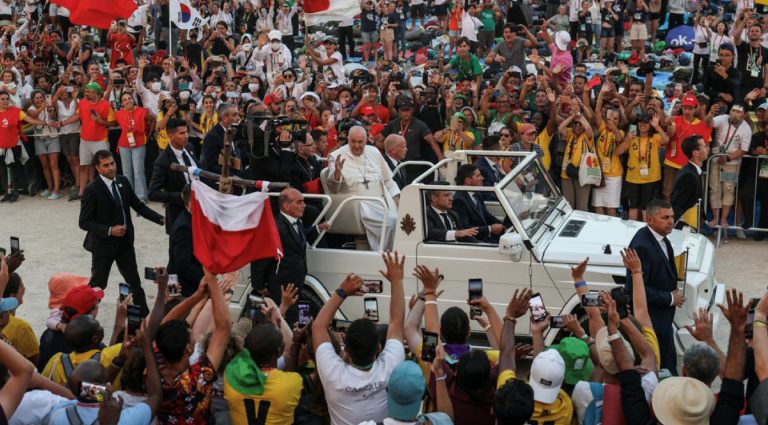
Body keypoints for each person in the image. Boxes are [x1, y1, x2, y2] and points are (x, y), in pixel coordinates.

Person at [311, 252, 406, 425]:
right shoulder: (390, 367)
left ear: (345, 349)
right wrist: (397, 281)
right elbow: (396, 321)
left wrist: (342, 291)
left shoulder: (333, 374)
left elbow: (318, 326)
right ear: (379, 347)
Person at [78, 150, 165, 315]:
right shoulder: (92, 190)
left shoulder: (122, 181)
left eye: (112, 163)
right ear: (97, 168)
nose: (111, 168)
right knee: (98, 285)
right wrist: (110, 230)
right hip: (103, 247)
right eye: (106, 165)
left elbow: (138, 206)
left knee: (134, 283)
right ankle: (82, 318)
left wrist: (161, 219)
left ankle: (144, 318)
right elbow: (84, 222)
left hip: (125, 243)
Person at [625, 199, 680, 374]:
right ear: (650, 219)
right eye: (665, 217)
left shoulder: (661, 237)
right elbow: (635, 288)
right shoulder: (642, 246)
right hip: (652, 320)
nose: (671, 221)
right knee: (662, 367)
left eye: (672, 217)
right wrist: (670, 298)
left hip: (662, 319)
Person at [250, 188, 329, 308]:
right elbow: (260, 259)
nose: (304, 205)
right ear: (286, 206)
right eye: (299, 202)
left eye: (303, 201)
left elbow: (297, 238)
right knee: (282, 318)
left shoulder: (297, 221)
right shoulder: (274, 228)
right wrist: (259, 285)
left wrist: (318, 228)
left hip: (296, 284)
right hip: (280, 288)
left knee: (295, 317)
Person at [326, 126, 400, 251]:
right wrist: (337, 173)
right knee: (391, 222)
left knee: (403, 220)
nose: (357, 146)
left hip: (383, 200)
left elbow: (388, 181)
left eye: (360, 142)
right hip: (360, 204)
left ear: (366, 141)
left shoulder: (374, 152)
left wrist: (398, 200)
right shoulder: (336, 155)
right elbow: (333, 189)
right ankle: (386, 254)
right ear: (348, 140)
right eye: (353, 141)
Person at [0, 90, 53, 203]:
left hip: (14, 144)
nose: (5, 101)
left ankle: (15, 192)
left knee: (14, 169)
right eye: (2, 99)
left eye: (7, 99)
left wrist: (44, 123)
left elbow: (30, 120)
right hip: (1, 146)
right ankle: (7, 192)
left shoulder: (16, 111)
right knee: (3, 169)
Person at [707, 103, 752, 231]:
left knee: (728, 190)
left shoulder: (746, 128)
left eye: (738, 112)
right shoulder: (722, 118)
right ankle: (716, 218)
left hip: (732, 164)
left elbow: (743, 150)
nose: (734, 113)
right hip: (715, 161)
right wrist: (710, 114)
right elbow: (709, 123)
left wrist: (727, 158)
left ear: (744, 114)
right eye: (733, 110)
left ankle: (724, 219)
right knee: (714, 189)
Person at [149, 118, 197, 234]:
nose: (186, 136)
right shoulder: (163, 161)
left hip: (198, 211)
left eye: (186, 132)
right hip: (179, 216)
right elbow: (153, 193)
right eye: (182, 133)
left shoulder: (190, 147)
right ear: (170, 136)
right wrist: (182, 196)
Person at [72, 82, 115, 202]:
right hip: (84, 140)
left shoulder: (106, 105)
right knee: (83, 166)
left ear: (96, 92)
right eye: (85, 91)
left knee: (106, 167)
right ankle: (81, 193)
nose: (85, 93)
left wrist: (101, 121)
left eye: (88, 92)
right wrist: (61, 123)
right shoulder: (83, 102)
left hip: (100, 141)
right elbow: (77, 116)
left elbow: (113, 123)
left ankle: (109, 192)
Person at [114, 91, 152, 203]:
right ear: (122, 103)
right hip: (124, 144)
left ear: (133, 99)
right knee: (126, 172)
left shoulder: (142, 111)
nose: (128, 101)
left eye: (129, 98)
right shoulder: (119, 114)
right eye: (125, 100)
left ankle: (141, 197)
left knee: (138, 171)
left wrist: (148, 136)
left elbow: (152, 120)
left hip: (139, 143)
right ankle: (129, 196)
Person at [451, 164, 505, 243]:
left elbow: (487, 216)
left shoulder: (477, 194)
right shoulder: (459, 201)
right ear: (468, 180)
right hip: (478, 241)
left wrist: (504, 225)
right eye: (478, 176)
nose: (482, 178)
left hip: (488, 237)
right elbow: (466, 229)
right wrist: (489, 229)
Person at [167, 186, 203, 298]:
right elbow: (183, 264)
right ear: (191, 203)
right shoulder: (184, 227)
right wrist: (206, 279)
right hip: (185, 288)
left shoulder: (191, 218)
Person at [671, 135, 709, 227]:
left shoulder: (693, 171)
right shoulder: (688, 176)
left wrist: (702, 217)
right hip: (685, 227)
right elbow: (678, 204)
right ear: (695, 153)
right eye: (704, 146)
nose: (707, 149)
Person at [201, 102, 244, 177]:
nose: (238, 118)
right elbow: (211, 166)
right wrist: (233, 177)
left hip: (237, 175)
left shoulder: (233, 131)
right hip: (224, 180)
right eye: (234, 115)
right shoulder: (212, 137)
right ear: (224, 118)